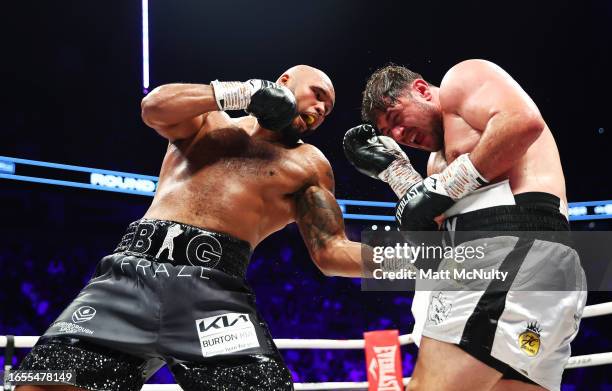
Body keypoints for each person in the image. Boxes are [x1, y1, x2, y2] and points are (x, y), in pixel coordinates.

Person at [17, 65, 367, 391]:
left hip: (214, 298)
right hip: (126, 279)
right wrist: (244, 93)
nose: (322, 109)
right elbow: (153, 106)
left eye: (329, 109)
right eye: (318, 94)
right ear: (285, 82)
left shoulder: (310, 164)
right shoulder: (209, 122)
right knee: (40, 383)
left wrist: (422, 259)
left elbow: (332, 252)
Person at [344, 60, 586, 391]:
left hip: (510, 250)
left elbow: (523, 124)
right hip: (528, 268)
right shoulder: (435, 163)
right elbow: (433, 244)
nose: (399, 135)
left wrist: (443, 189)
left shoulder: (463, 78)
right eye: (389, 133)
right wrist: (398, 174)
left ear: (421, 90)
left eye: (397, 118)